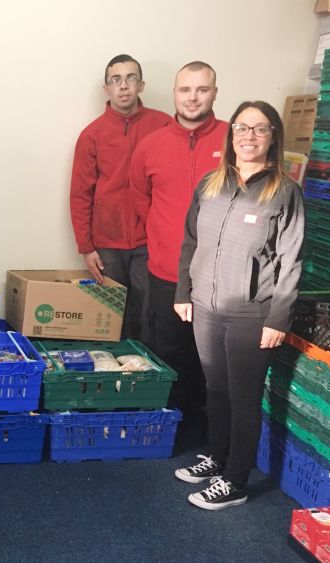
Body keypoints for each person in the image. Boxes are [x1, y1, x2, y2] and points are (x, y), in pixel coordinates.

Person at [173, 101, 305, 510]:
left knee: (244, 397)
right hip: (205, 306)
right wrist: (183, 291)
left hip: (253, 313)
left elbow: (291, 260)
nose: (249, 136)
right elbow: (190, 241)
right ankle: (217, 457)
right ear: (231, 135)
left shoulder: (284, 191)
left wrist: (277, 318)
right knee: (215, 389)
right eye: (242, 128)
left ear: (272, 137)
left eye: (260, 129)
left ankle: (235, 481)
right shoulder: (211, 184)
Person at [129, 61, 227, 421]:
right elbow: (142, 200)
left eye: (202, 89)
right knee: (167, 352)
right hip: (166, 272)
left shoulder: (234, 140)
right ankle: (169, 424)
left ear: (215, 92)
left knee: (212, 357)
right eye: (185, 89)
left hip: (219, 277)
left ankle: (209, 431)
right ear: (174, 92)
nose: (193, 97)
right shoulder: (149, 146)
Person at [70, 54, 170, 342]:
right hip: (106, 245)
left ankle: (150, 376)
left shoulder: (163, 126)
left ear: (141, 85)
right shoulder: (91, 135)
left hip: (149, 240)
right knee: (111, 318)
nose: (123, 86)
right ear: (107, 89)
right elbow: (80, 194)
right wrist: (86, 247)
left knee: (150, 314)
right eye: (116, 80)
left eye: (130, 78)